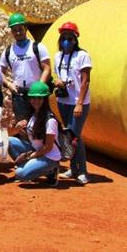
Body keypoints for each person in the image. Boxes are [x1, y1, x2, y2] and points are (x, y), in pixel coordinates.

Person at [54, 22, 92, 184]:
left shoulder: (82, 56)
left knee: (75, 136)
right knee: (68, 135)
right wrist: (58, 81)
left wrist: (80, 103)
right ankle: (73, 168)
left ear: (76, 39)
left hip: (78, 102)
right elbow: (58, 75)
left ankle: (83, 171)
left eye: (70, 38)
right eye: (64, 38)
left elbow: (85, 81)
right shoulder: (58, 56)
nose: (66, 41)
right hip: (63, 101)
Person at [0, 13, 51, 122]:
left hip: (37, 95)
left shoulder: (38, 47)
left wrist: (40, 86)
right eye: (14, 30)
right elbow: (0, 73)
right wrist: (9, 84)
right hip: (19, 96)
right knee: (22, 125)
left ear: (26, 28)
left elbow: (47, 68)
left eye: (20, 29)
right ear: (11, 31)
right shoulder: (9, 51)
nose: (18, 32)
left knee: (41, 124)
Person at [8, 82, 61, 186]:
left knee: (21, 174)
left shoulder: (50, 120)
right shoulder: (33, 114)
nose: (36, 101)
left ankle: (51, 171)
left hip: (49, 156)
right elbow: (34, 139)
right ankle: (29, 167)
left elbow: (48, 147)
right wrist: (17, 129)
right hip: (36, 150)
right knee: (9, 141)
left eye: (39, 98)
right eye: (33, 98)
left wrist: (28, 157)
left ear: (45, 100)